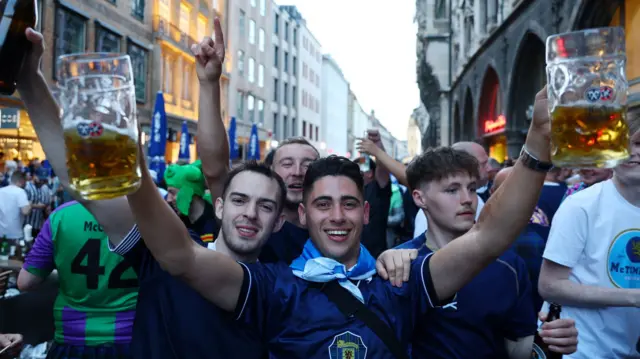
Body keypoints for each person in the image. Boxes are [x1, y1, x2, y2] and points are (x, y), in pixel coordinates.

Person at [125, 80, 560, 357]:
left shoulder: (398, 283)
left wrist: (539, 139)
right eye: (322, 204)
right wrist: (131, 165)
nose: (337, 216)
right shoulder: (275, 286)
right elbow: (179, 255)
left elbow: (489, 236)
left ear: (366, 211)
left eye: (349, 203)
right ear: (302, 214)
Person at [389, 149, 576, 358]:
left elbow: (518, 350)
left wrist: (549, 343)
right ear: (419, 198)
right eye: (452, 190)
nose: (467, 199)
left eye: (471, 189)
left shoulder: (508, 264)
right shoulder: (399, 265)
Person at [538, 115, 640, 358]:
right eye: (624, 143)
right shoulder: (581, 205)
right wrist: (633, 297)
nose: (631, 152)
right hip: (581, 351)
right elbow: (549, 285)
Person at [17, 201, 139, 359]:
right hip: (132, 337)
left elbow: (26, 282)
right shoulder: (145, 211)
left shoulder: (62, 215)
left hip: (72, 338)